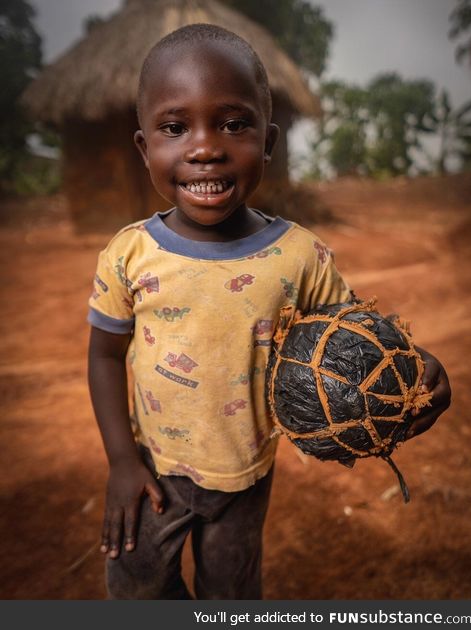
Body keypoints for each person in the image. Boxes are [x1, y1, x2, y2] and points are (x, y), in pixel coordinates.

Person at [87, 24, 450, 600]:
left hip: (247, 476)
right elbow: (105, 355)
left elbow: (357, 336)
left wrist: (414, 369)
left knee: (231, 595)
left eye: (234, 124)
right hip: (153, 468)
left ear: (269, 140)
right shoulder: (129, 253)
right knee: (138, 590)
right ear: (144, 147)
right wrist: (120, 462)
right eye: (176, 128)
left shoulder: (300, 254)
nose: (205, 147)